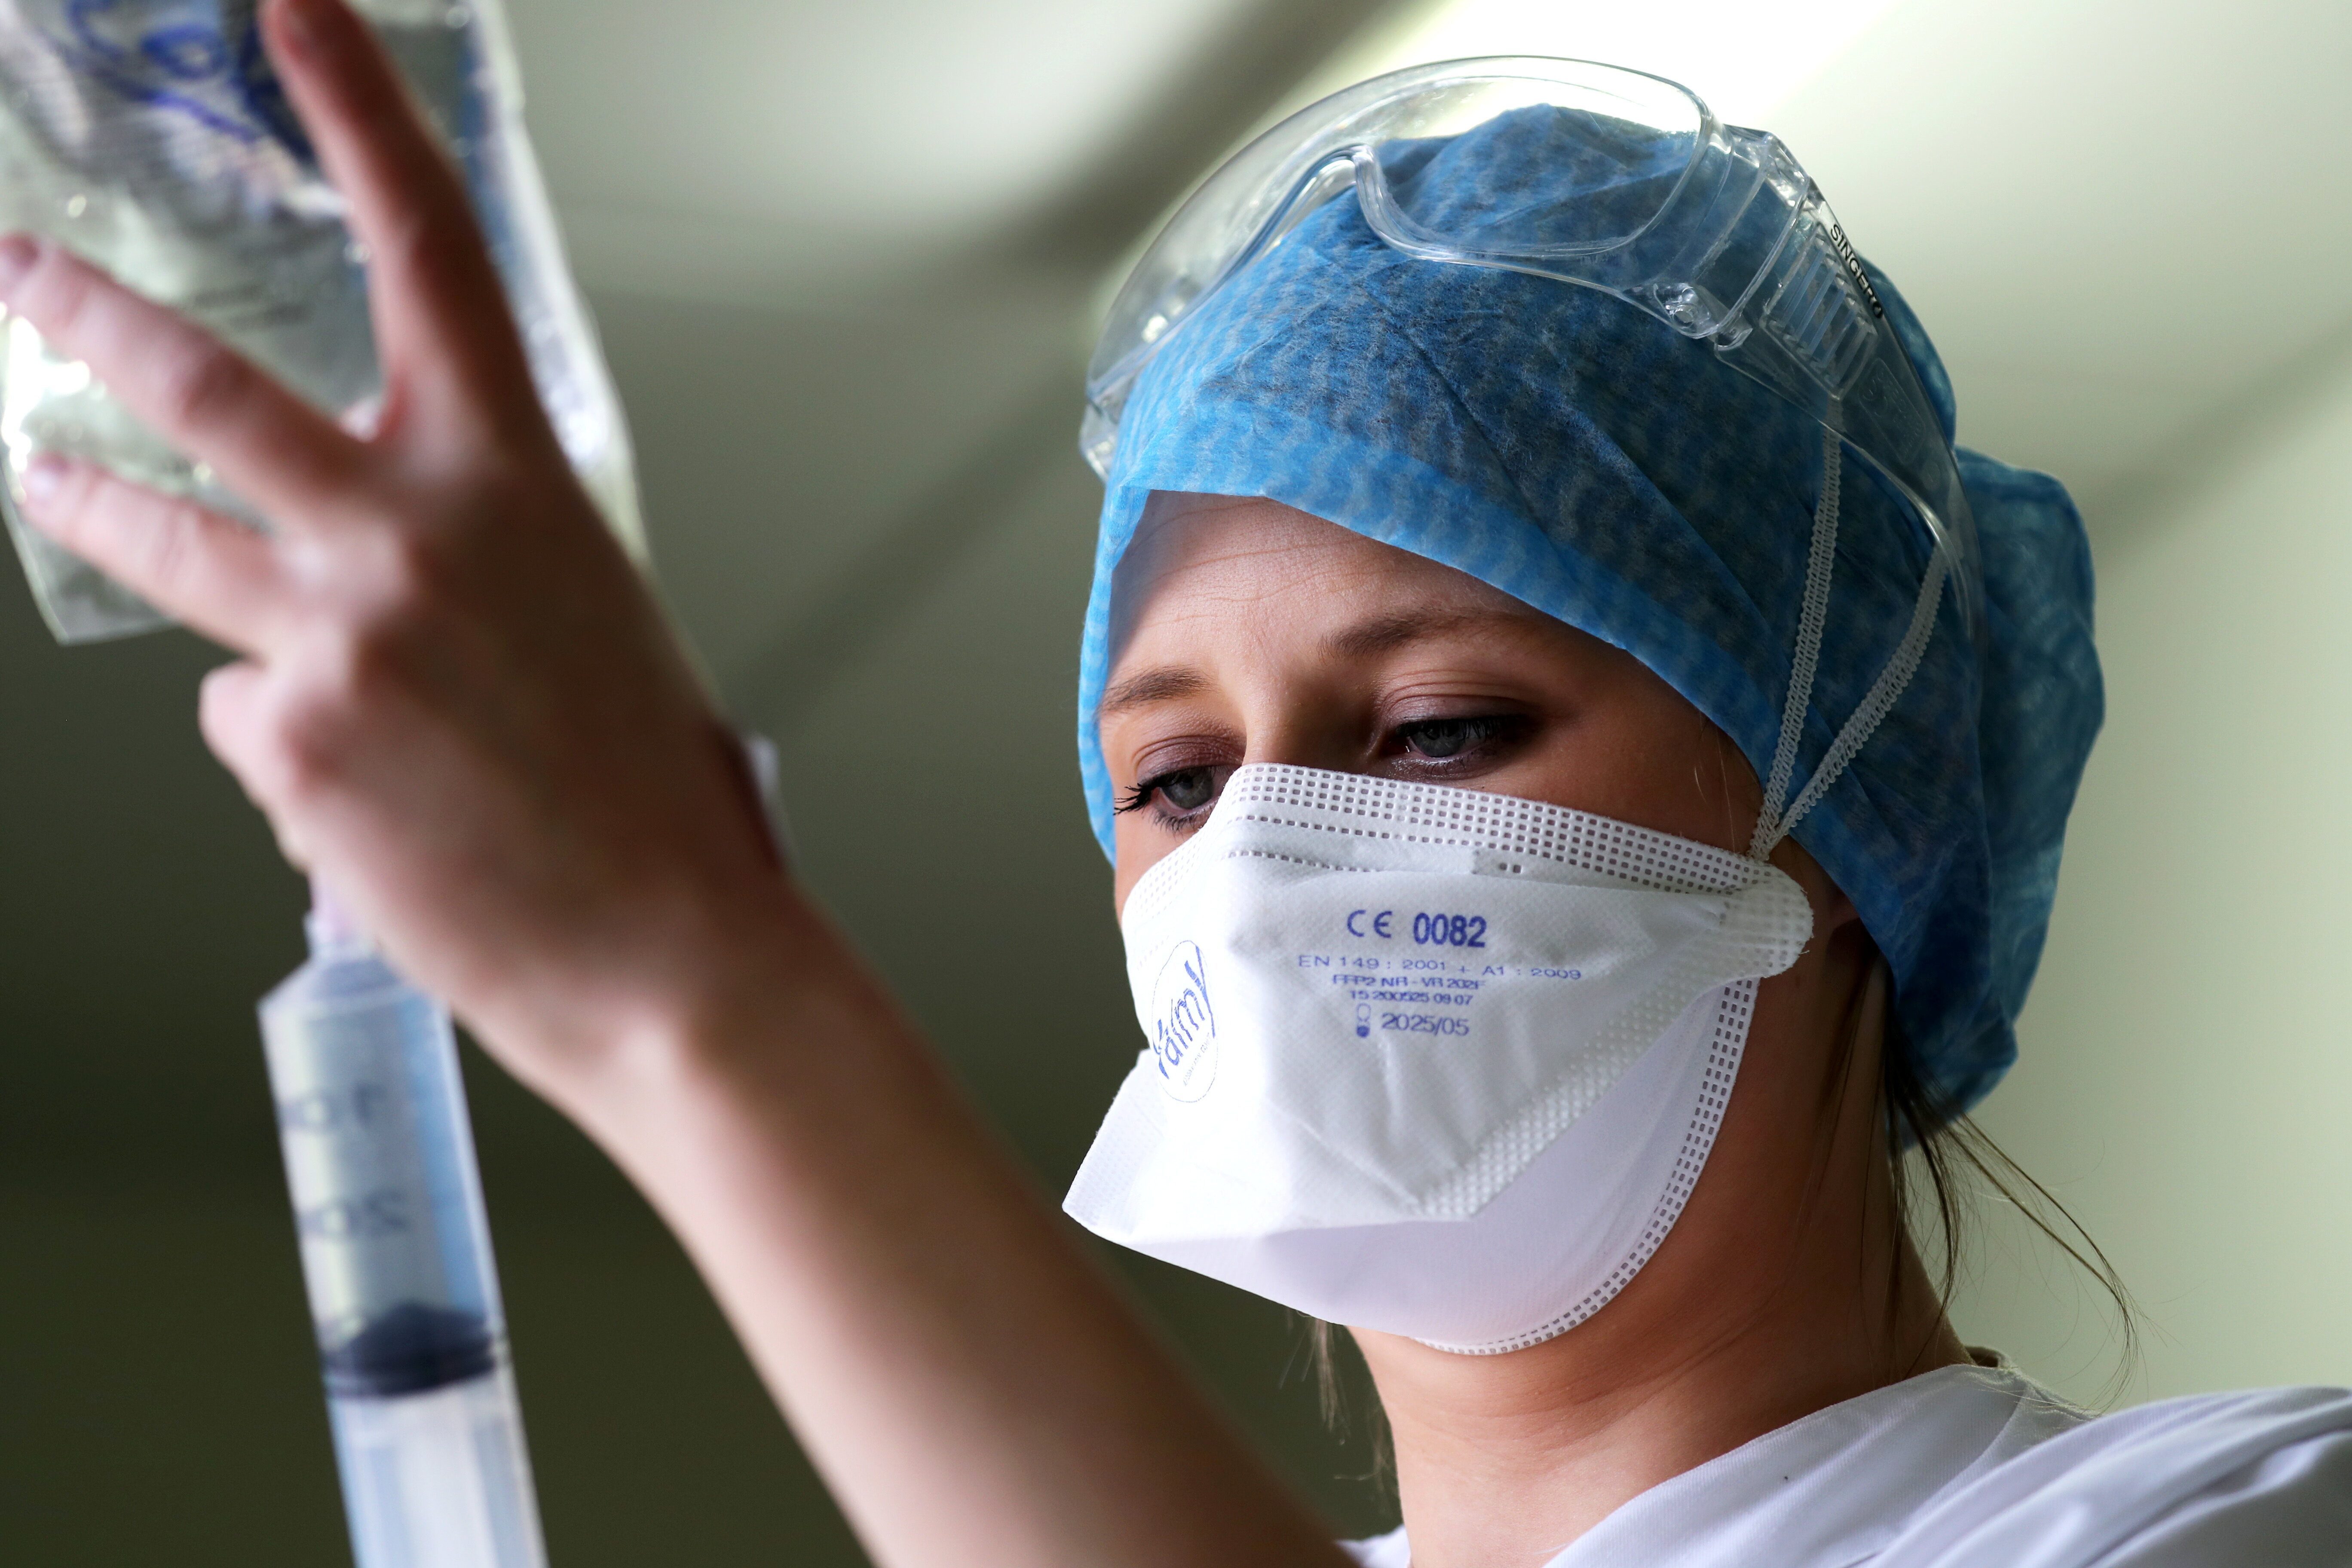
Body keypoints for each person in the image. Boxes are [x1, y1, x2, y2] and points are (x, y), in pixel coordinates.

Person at [6, 3, 2347, 1564]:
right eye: (1173, 781)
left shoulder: (2234, 1521)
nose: (1264, 879)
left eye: (1438, 731)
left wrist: (685, 978)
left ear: (1849, 816)